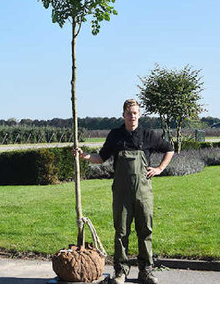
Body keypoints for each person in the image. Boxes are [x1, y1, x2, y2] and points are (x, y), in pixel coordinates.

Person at [73, 99, 174, 284]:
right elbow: (101, 157)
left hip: (143, 192)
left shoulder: (148, 134)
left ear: (139, 114)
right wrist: (84, 156)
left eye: (135, 113)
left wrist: (159, 169)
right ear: (123, 115)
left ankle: (146, 271)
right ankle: (120, 271)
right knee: (121, 232)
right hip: (121, 192)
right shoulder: (115, 135)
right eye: (129, 113)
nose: (132, 116)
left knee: (145, 231)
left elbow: (169, 149)